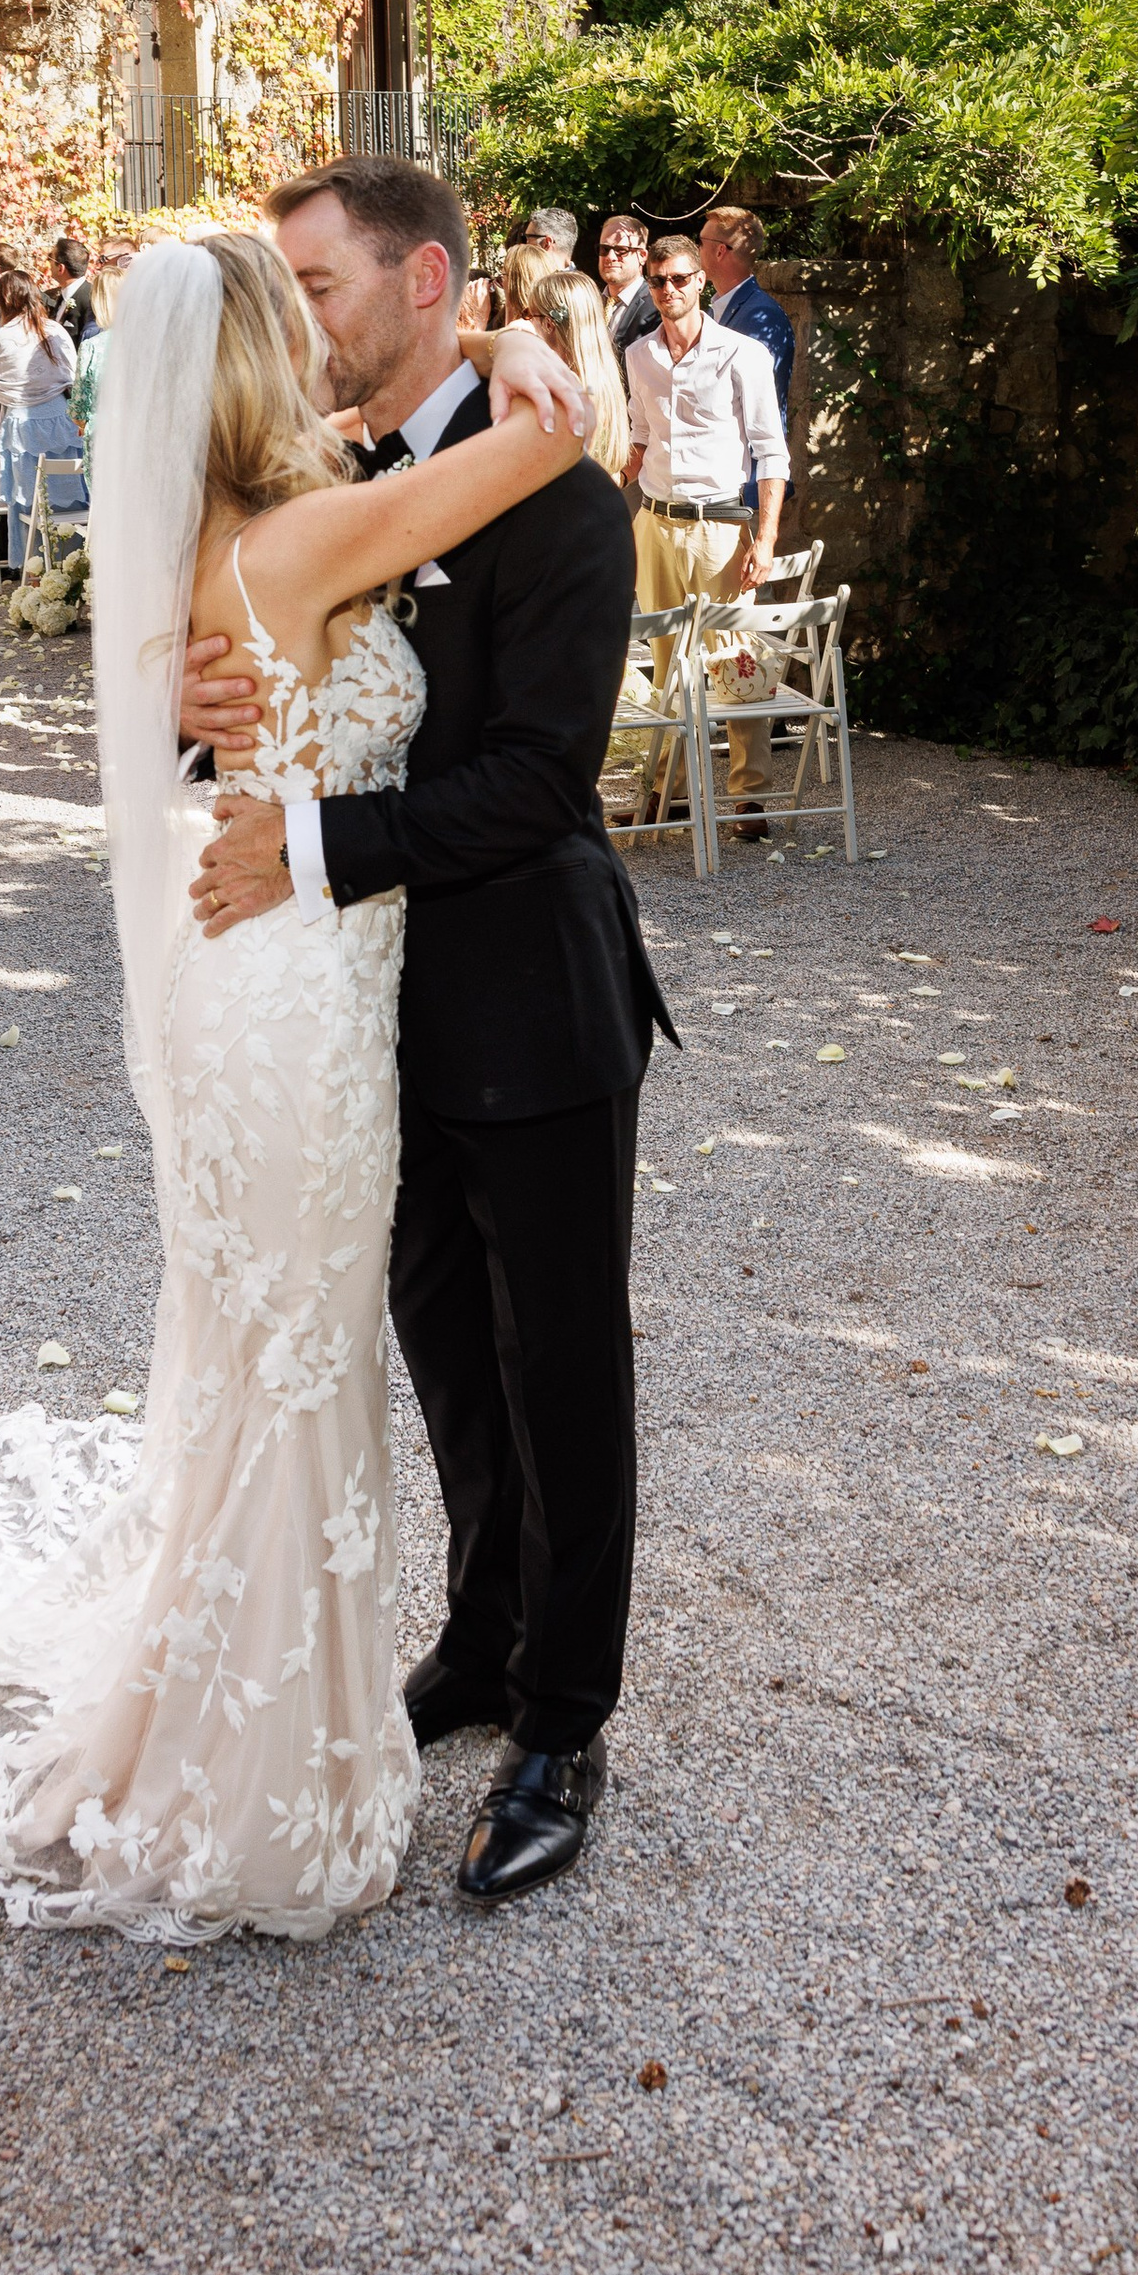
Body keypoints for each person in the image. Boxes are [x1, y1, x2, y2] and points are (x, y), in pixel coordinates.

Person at [0, 227, 591, 1939]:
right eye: (293, 312)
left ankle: (279, 1722)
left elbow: (253, 684)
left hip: (291, 983)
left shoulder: (221, 546)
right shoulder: (297, 539)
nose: (321, 335)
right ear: (245, 362)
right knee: (301, 1357)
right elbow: (550, 433)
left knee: (273, 1348)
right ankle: (267, 1779)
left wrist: (206, 696)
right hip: (294, 996)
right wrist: (524, 343)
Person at [184, 156, 676, 1907]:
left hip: (530, 1000)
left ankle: (564, 1717)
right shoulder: (326, 477)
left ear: (426, 282)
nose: (300, 315)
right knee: (445, 1350)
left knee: (563, 1366)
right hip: (358, 1023)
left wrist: (307, 846)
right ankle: (478, 1635)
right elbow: (274, 697)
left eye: (319, 282)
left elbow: (540, 780)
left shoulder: (560, 493)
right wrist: (217, 726)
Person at [622, 232, 788, 837]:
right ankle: (672, 795)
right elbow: (638, 441)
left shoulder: (742, 354)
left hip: (723, 527)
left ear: (702, 282)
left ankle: (749, 799)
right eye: (658, 281)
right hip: (658, 524)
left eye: (680, 279)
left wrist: (765, 541)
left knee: (736, 663)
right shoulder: (638, 356)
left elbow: (772, 454)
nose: (669, 290)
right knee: (667, 668)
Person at [0, 266, 80, 571]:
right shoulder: (55, 329)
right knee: (68, 495)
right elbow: (71, 374)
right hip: (60, 418)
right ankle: (74, 565)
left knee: (29, 500)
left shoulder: (3, 336)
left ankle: (36, 570)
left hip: (22, 423)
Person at [532, 266, 631, 478]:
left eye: (530, 315)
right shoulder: (602, 379)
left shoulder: (564, 394)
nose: (528, 323)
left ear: (549, 324)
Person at [699, 204, 796, 417]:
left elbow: (759, 402)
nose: (697, 250)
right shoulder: (713, 310)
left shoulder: (763, 317)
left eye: (701, 243)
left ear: (720, 250)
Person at [70, 247, 120, 480]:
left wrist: (83, 421)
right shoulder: (148, 342)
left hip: (103, 436)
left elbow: (78, 407)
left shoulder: (92, 346)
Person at [596, 214, 655, 362]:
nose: (610, 257)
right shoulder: (591, 302)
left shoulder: (655, 305)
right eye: (604, 249)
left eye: (621, 250)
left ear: (642, 256)